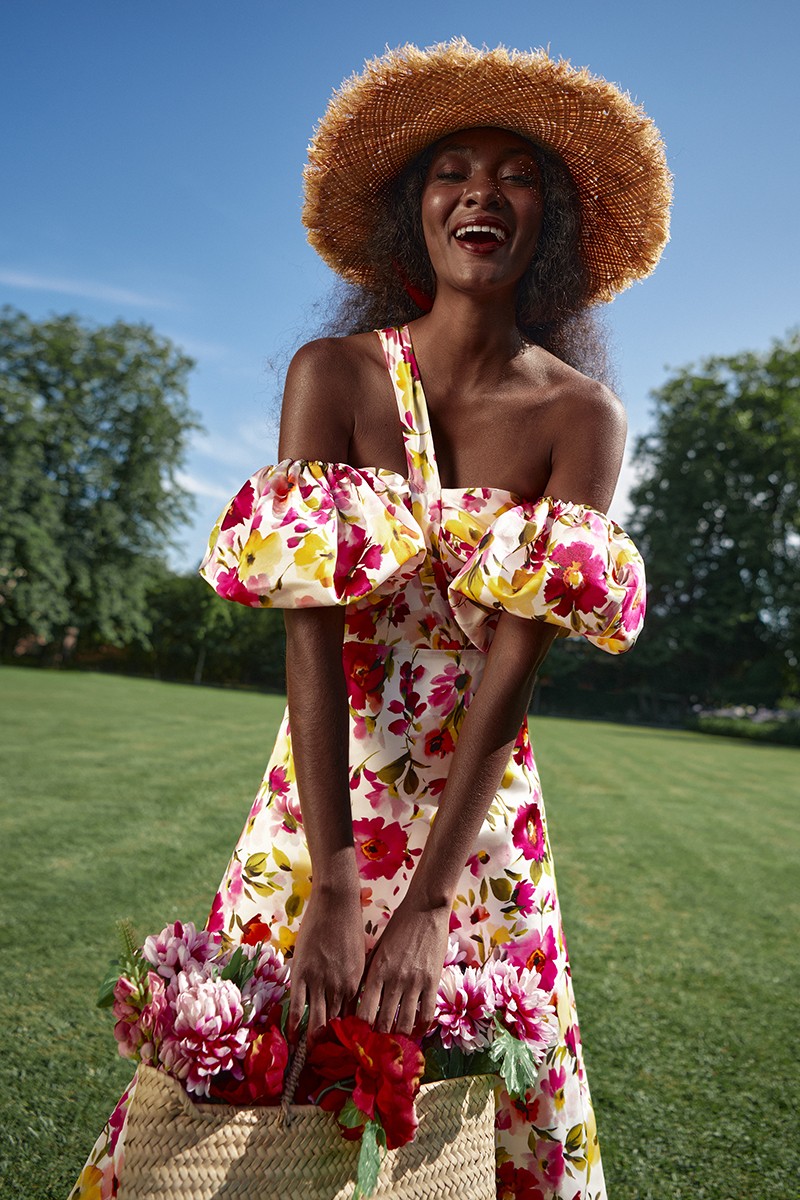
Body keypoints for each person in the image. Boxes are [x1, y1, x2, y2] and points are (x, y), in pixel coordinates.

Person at [71, 40, 670, 1200]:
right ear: (416, 212)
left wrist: (433, 905)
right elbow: (311, 638)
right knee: (231, 1082)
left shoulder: (580, 418)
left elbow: (510, 675)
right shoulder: (332, 376)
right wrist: (338, 885)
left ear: (552, 220)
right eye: (452, 168)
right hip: (317, 801)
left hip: (479, 834)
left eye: (517, 173)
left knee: (487, 1117)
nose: (481, 191)